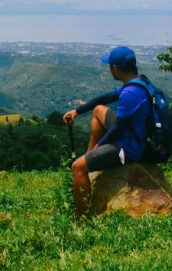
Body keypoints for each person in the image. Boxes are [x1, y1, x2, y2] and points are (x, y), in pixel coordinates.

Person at [62, 46, 150, 218]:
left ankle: (81, 218)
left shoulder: (130, 94)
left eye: (110, 65)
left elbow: (118, 130)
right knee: (99, 110)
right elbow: (105, 99)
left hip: (129, 148)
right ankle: (90, 161)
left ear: (115, 68)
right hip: (134, 135)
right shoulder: (138, 83)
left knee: (77, 167)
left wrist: (99, 146)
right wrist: (78, 111)